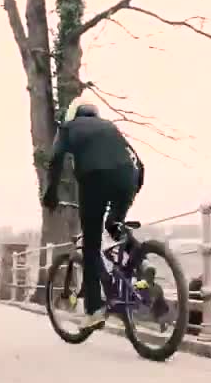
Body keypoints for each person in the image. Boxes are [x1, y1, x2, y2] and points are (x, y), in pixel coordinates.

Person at [40, 100, 144, 329]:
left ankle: (95, 310)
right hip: (129, 176)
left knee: (90, 246)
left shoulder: (69, 128)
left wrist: (50, 194)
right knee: (114, 224)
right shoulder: (109, 127)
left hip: (95, 178)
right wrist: (130, 193)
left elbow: (56, 159)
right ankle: (141, 264)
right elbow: (139, 163)